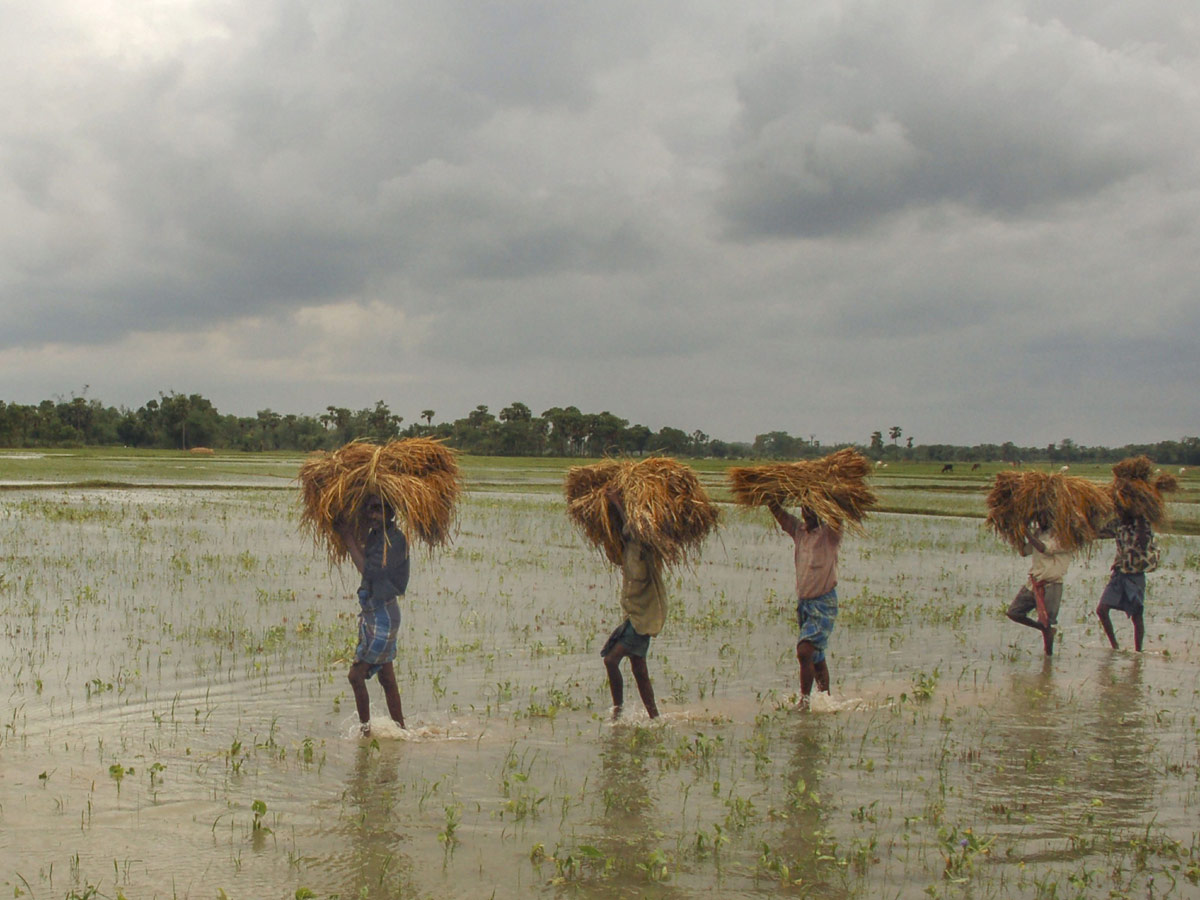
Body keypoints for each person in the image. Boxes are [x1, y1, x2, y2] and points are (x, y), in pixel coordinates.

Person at [337, 496, 410, 734]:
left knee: (355, 676)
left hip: (383, 616)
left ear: (391, 513)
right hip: (372, 613)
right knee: (387, 679)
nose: (373, 515)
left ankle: (365, 733)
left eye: (378, 510)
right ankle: (403, 732)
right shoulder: (376, 536)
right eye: (370, 510)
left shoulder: (397, 540)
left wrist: (348, 539)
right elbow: (367, 560)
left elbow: (371, 571)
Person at [599, 485, 665, 719]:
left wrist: (617, 501)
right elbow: (626, 532)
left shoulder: (645, 549)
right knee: (639, 670)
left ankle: (617, 712)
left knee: (610, 660)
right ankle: (654, 717)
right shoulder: (629, 549)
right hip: (635, 617)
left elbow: (633, 529)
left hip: (643, 618)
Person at [767, 499, 841, 707]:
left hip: (823, 602)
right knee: (816, 656)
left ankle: (805, 701)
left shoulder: (829, 535)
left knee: (804, 650)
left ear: (821, 511)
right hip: (805, 603)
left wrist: (834, 495)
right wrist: (769, 498)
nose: (807, 513)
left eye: (812, 508)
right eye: (805, 508)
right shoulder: (800, 532)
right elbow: (782, 518)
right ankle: (825, 699)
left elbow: (839, 516)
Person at [1006, 516, 1071, 655]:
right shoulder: (1038, 533)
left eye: (1043, 517)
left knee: (1047, 622)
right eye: (1039, 518)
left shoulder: (1064, 536)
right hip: (1034, 583)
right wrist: (1017, 534)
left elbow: (1043, 548)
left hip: (1051, 585)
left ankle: (1048, 657)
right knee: (1014, 612)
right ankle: (1046, 632)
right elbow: (1025, 551)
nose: (1041, 521)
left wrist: (1026, 532)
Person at [1096, 513, 1155, 652]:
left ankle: (1138, 652)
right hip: (1119, 572)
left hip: (1135, 574)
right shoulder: (1118, 522)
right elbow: (1099, 533)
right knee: (1102, 610)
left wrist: (1140, 523)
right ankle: (1115, 648)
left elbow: (1143, 542)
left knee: (1137, 615)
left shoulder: (1142, 523)